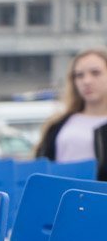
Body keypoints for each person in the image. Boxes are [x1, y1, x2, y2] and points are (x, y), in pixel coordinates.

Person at [35, 47, 107, 180]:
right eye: (79, 75)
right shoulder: (57, 124)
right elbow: (40, 167)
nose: (86, 81)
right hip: (61, 196)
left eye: (95, 73)